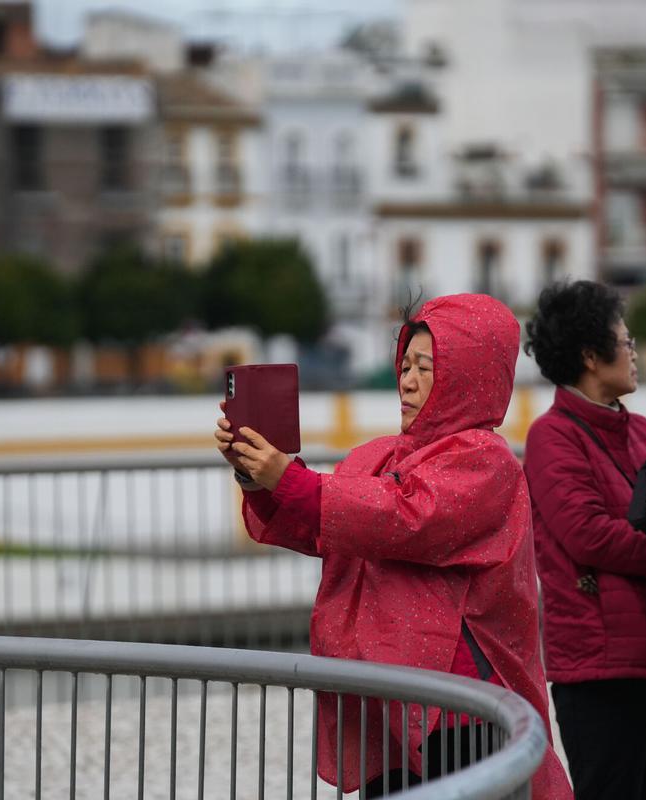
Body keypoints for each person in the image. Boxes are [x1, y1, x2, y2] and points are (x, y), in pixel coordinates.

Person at [214, 293, 571, 799]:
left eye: (427, 368)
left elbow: (403, 517)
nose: (407, 381)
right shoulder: (379, 456)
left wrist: (288, 478)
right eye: (405, 365)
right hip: (389, 697)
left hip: (460, 706)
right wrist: (256, 478)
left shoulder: (485, 460)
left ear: (469, 375)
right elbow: (319, 526)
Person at [521, 281, 646, 800]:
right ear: (591, 356)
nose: (635, 353)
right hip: (598, 664)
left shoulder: (642, 430)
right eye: (626, 342)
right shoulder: (553, 435)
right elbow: (590, 536)